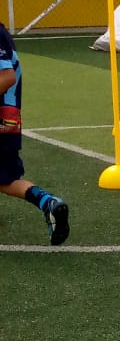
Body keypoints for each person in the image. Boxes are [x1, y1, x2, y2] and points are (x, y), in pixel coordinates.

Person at [0, 22, 70, 245]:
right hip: (8, 118)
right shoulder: (3, 34)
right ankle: (48, 202)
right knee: (6, 178)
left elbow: (7, 76)